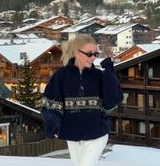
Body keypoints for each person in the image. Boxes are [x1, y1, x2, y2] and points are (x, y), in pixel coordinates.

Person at [41, 34, 123, 166]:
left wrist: (110, 72)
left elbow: (112, 101)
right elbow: (50, 104)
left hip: (96, 134)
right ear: (76, 53)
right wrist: (53, 125)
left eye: (95, 54)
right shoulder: (61, 76)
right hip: (72, 135)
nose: (93, 57)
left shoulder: (98, 76)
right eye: (89, 54)